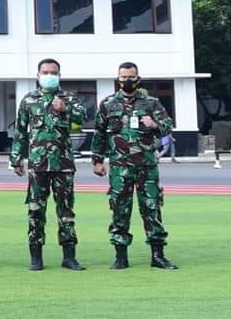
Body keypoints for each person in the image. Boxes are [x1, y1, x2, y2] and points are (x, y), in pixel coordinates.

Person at [91, 62, 178, 270]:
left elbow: (167, 126)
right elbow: (99, 133)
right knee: (120, 209)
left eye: (131, 77)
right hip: (120, 167)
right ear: (118, 78)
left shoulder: (151, 103)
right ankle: (120, 256)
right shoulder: (108, 103)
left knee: (151, 208)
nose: (127, 80)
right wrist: (97, 160)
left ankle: (158, 255)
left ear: (138, 78)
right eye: (123, 77)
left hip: (146, 166)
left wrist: (154, 124)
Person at [9, 58, 87, 271]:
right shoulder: (29, 100)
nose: (49, 76)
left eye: (53, 72)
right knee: (36, 211)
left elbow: (83, 117)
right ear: (38, 75)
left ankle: (69, 256)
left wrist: (65, 109)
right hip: (38, 165)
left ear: (59, 75)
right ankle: (36, 257)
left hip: (63, 164)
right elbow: (20, 131)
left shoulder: (69, 98)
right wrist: (16, 158)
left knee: (66, 211)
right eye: (45, 72)